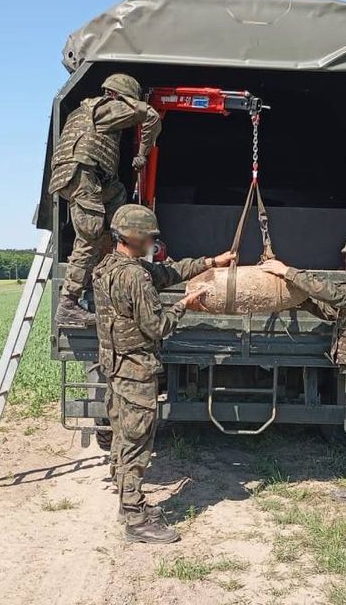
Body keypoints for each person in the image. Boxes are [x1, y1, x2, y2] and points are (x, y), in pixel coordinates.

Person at [93, 204, 236, 543]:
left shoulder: (108, 267)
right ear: (137, 237)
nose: (154, 243)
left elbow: (168, 273)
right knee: (136, 442)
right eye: (151, 237)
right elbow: (156, 327)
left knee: (121, 434)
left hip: (115, 366)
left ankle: (127, 502)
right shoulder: (135, 277)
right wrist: (184, 306)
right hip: (136, 369)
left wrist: (210, 262)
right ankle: (135, 518)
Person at [259, 231, 346, 526]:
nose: (344, 259)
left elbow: (332, 294)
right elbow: (331, 310)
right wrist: (299, 300)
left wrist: (287, 271)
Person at [49, 73, 163, 327]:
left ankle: (109, 272)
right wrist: (143, 154)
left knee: (118, 208)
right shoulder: (108, 108)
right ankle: (68, 303)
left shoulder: (83, 110)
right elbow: (152, 116)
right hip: (83, 175)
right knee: (90, 233)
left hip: (91, 176)